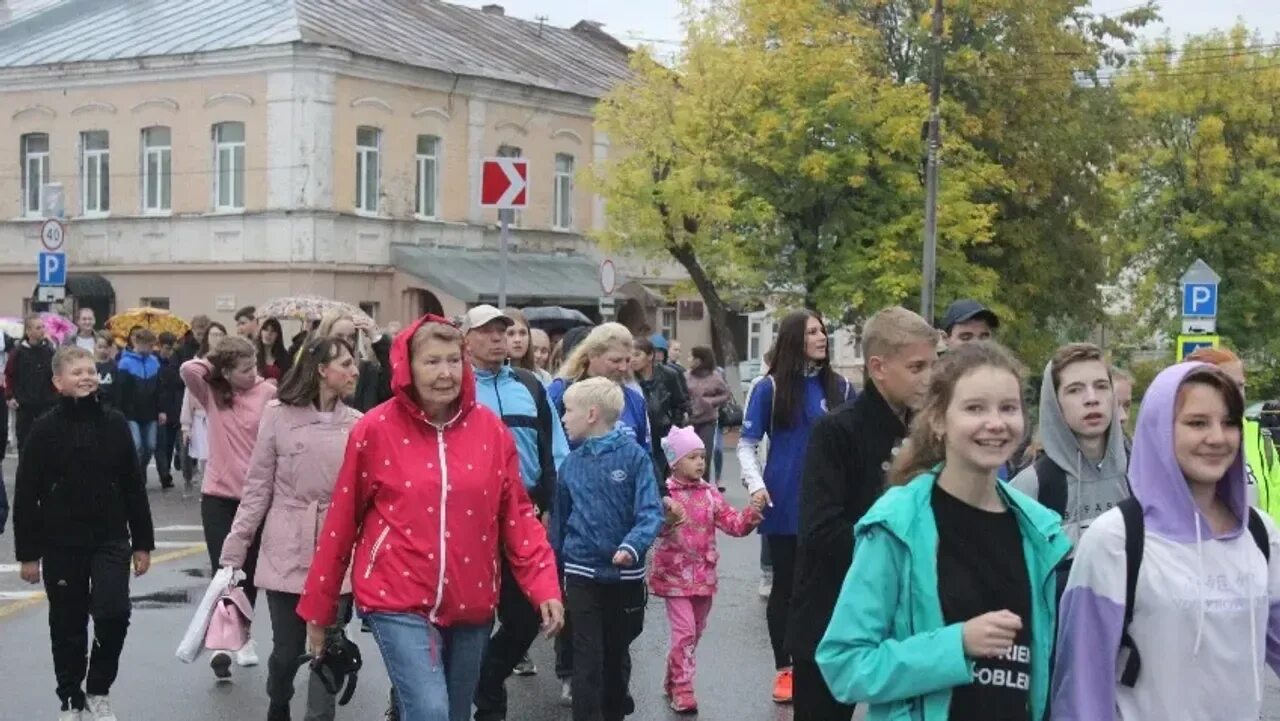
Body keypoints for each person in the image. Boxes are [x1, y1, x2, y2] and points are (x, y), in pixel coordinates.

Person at [298, 315, 565, 721]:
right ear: (408, 367)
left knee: (453, 714)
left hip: (471, 598)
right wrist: (320, 612)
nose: (446, 373)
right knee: (430, 711)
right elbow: (340, 524)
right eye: (432, 362)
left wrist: (544, 585)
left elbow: (519, 518)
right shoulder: (375, 430)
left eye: (453, 361)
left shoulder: (490, 432)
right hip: (396, 597)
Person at [817, 342, 1070, 721]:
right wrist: (957, 644)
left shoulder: (1040, 531)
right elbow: (845, 663)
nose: (996, 423)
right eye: (975, 408)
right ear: (938, 420)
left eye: (1008, 408)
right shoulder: (896, 524)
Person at [1052, 361, 1280, 720]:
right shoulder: (1116, 540)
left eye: (1229, 422)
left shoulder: (1261, 535)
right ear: (1159, 429)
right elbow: (1082, 690)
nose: (1218, 437)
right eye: (1197, 423)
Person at [790, 306, 937, 721]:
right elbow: (820, 530)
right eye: (916, 366)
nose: (929, 377)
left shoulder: (930, 433)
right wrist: (892, 557)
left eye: (932, 364)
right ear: (878, 367)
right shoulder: (836, 432)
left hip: (905, 617)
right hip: (831, 614)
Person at [219, 337, 361, 721]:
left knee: (328, 647)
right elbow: (257, 485)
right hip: (286, 540)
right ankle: (278, 701)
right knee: (287, 649)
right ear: (320, 369)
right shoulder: (278, 414)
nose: (355, 371)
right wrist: (236, 547)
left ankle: (319, 717)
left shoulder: (359, 424)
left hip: (336, 547)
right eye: (346, 363)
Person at [13, 345, 155, 721]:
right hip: (61, 541)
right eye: (77, 372)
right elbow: (26, 494)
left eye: (90, 370)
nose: (86, 377)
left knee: (114, 613)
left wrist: (142, 543)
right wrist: (28, 554)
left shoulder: (115, 422)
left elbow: (132, 485)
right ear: (58, 381)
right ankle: (71, 698)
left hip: (110, 537)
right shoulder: (44, 430)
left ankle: (98, 689)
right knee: (67, 623)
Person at [736, 309, 853, 704]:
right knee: (786, 587)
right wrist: (755, 485)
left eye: (824, 330)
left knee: (828, 585)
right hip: (784, 501)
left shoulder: (842, 388)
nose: (823, 337)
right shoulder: (768, 388)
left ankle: (824, 664)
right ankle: (784, 669)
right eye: (812, 332)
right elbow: (747, 444)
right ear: (792, 340)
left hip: (832, 506)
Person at [462, 305, 570, 721]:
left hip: (526, 513)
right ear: (466, 339)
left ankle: (485, 677)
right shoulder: (456, 386)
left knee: (526, 618)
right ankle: (488, 705)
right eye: (487, 331)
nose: (498, 338)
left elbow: (555, 450)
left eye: (503, 331)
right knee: (468, 617)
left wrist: (550, 504)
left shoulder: (529, 384)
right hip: (470, 519)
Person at [551, 377, 664, 721]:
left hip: (625, 576)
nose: (563, 418)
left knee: (616, 655)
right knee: (586, 658)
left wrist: (632, 546)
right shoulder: (569, 465)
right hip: (581, 573)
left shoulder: (634, 459)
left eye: (568, 411)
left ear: (592, 414)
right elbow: (559, 524)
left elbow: (651, 511)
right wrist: (552, 577)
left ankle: (614, 709)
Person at [181, 335, 278, 678]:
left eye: (254, 365)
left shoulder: (268, 393)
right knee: (224, 570)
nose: (252, 373)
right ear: (225, 371)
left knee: (249, 571)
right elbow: (187, 368)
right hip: (219, 495)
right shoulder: (211, 393)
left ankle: (245, 636)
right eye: (243, 369)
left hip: (256, 497)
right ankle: (222, 642)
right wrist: (217, 361)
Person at [650, 426, 763, 712]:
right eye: (693, 457)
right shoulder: (666, 495)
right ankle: (684, 690)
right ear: (675, 462)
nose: (701, 462)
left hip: (703, 576)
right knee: (685, 632)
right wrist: (667, 518)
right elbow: (653, 529)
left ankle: (673, 676)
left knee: (695, 633)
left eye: (702, 456)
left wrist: (751, 513)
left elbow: (733, 524)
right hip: (674, 576)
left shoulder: (709, 494)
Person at [1011, 343, 1129, 593]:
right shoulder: (1031, 486)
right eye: (1075, 390)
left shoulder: (1140, 475)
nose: (1092, 399)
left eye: (1101, 386)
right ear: (1055, 403)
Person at [632, 336, 690, 482]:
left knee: (664, 475)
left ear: (650, 355)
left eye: (637, 355)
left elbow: (681, 403)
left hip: (664, 436)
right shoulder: (629, 379)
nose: (633, 359)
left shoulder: (669, 375)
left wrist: (673, 426)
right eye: (630, 356)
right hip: (641, 435)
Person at [180, 322, 227, 493]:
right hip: (201, 414)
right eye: (214, 335)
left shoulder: (228, 362)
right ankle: (208, 489)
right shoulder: (197, 363)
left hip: (221, 413)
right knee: (205, 456)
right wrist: (186, 424)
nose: (217, 338)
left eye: (221, 335)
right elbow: (189, 393)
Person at [315, 310, 391, 412]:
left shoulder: (367, 371)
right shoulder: (312, 370)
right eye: (339, 336)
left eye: (351, 337)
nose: (346, 342)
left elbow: (393, 385)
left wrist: (376, 339)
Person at [116, 328, 164, 487]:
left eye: (152, 346)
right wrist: (121, 411)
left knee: (150, 445)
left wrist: (161, 410)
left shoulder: (154, 362)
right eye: (148, 345)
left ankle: (140, 469)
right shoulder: (125, 362)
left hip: (150, 412)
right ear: (137, 343)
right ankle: (135, 475)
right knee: (136, 445)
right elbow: (121, 390)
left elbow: (159, 388)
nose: (151, 349)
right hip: (131, 412)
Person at [7, 313, 58, 458]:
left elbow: (56, 375)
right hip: (25, 406)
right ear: (28, 331)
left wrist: (56, 395)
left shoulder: (49, 351)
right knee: (25, 445)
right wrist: (10, 396)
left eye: (43, 327)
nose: (42, 330)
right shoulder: (18, 353)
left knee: (46, 445)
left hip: (47, 404)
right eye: (38, 327)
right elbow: (9, 375)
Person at [685, 346, 731, 484]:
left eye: (691, 357)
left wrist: (712, 401)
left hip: (707, 422)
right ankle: (687, 487)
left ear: (699, 360)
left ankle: (703, 488)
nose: (688, 360)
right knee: (687, 456)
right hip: (688, 422)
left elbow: (726, 394)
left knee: (704, 456)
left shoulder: (715, 377)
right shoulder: (686, 375)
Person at [155, 333, 184, 489]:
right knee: (163, 443)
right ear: (160, 346)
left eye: (172, 349)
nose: (169, 352)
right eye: (167, 348)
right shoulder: (155, 361)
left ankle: (168, 471)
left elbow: (179, 382)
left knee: (171, 441)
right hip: (160, 405)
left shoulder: (175, 362)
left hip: (173, 405)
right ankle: (165, 474)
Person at [503, 308, 552, 385]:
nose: (517, 340)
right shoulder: (486, 377)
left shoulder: (543, 377)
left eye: (523, 333)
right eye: (511, 333)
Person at [94, 332, 119, 410]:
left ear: (110, 348)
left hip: (110, 408)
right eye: (100, 347)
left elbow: (118, 392)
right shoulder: (90, 366)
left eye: (106, 347)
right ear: (95, 347)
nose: (102, 350)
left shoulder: (115, 367)